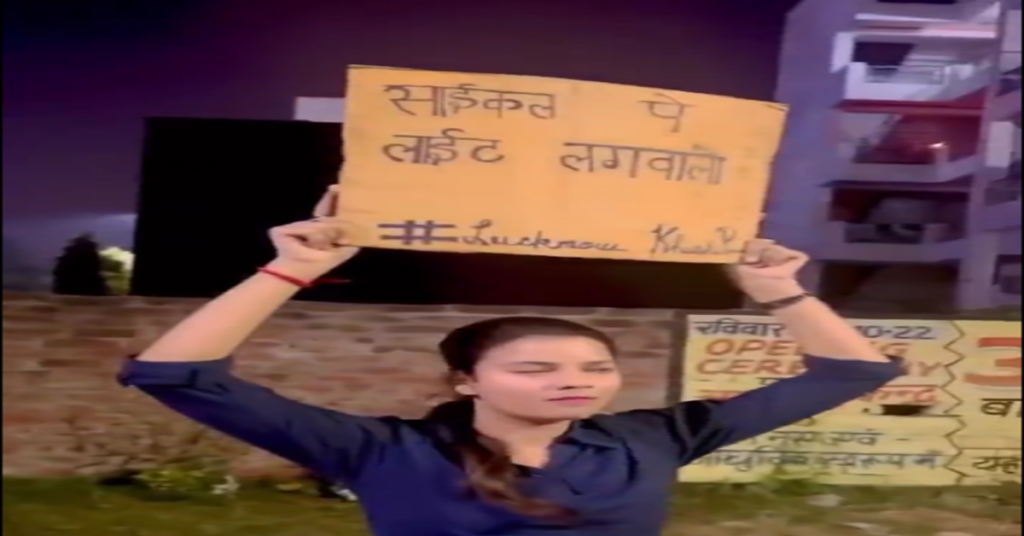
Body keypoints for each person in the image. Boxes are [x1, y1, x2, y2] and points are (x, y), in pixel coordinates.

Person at [118, 189, 905, 536]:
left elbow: (851, 372)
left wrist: (776, 292)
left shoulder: (652, 439)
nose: (574, 383)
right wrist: (288, 272)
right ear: (467, 381)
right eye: (536, 369)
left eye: (593, 369)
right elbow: (175, 374)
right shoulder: (380, 450)